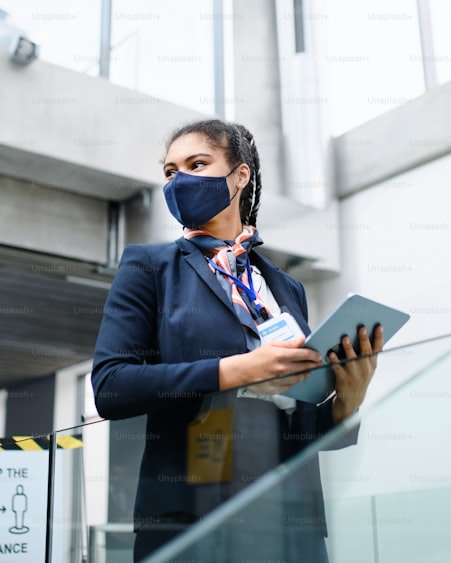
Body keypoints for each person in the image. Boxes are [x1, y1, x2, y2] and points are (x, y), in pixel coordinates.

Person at [90, 119, 382, 562]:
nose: (179, 179)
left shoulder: (284, 287)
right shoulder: (148, 267)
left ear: (240, 175)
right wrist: (239, 370)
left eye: (197, 164)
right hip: (192, 515)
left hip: (290, 515)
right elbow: (111, 386)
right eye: (171, 171)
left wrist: (347, 401)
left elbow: (298, 427)